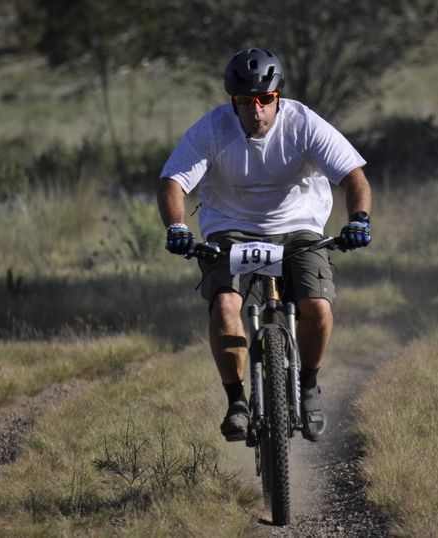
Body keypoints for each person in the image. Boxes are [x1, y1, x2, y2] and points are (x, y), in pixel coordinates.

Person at [157, 47, 372, 443]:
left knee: (317, 306)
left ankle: (308, 385)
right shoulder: (211, 130)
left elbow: (353, 177)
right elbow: (174, 183)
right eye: (244, 102)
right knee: (225, 306)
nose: (256, 111)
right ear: (232, 102)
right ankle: (236, 400)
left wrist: (358, 219)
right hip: (231, 229)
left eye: (265, 100)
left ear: (278, 97)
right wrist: (177, 228)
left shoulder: (304, 123)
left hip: (299, 226)